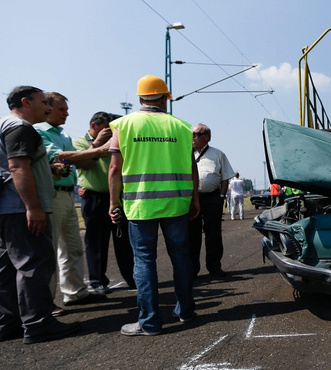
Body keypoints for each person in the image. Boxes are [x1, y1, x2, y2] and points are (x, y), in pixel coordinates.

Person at [0, 85, 81, 344]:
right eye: (42, 102)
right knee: (34, 263)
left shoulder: (0, 126)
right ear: (25, 102)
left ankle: (7, 324)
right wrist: (33, 208)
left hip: (1, 207)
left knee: (3, 267)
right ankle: (39, 324)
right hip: (18, 208)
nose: (47, 107)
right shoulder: (20, 127)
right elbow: (17, 167)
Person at [108, 75, 200, 336]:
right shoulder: (182, 127)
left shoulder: (124, 125)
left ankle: (149, 322)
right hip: (176, 204)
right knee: (181, 257)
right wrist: (194, 199)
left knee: (144, 261)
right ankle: (185, 311)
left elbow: (115, 168)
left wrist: (113, 203)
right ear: (165, 98)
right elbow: (192, 166)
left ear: (139, 99)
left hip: (140, 205)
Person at [34, 92, 107, 315]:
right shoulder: (39, 132)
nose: (67, 113)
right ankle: (44, 303)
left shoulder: (63, 135)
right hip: (52, 195)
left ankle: (75, 292)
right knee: (49, 251)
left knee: (72, 248)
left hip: (67, 195)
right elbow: (60, 157)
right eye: (62, 109)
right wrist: (99, 149)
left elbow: (77, 162)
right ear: (47, 108)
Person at [73, 112, 135, 293]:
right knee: (96, 242)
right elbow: (83, 164)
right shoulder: (79, 143)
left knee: (124, 241)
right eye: (108, 129)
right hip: (95, 197)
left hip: (119, 197)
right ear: (94, 125)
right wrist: (98, 144)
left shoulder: (118, 141)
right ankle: (98, 280)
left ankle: (132, 277)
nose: (112, 132)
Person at [190, 123, 234, 277]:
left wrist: (221, 197)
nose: (192, 138)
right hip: (192, 199)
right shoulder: (186, 153)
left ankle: (214, 267)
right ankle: (192, 269)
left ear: (206, 137)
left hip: (212, 198)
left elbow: (225, 177)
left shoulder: (218, 154)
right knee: (192, 235)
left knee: (213, 234)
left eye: (195, 134)